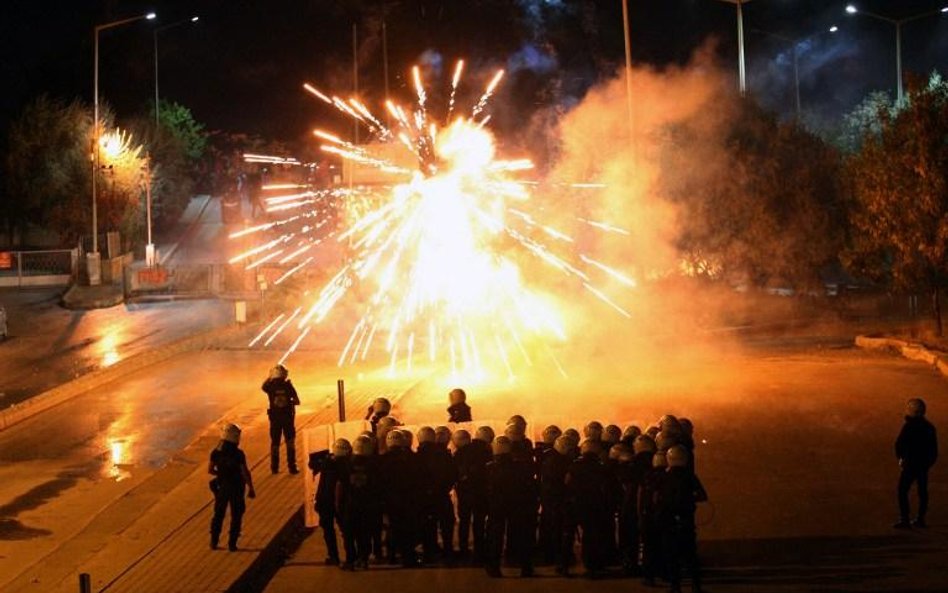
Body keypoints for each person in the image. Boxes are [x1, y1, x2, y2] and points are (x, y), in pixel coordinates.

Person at [485, 436, 538, 578]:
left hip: (496, 506)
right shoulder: (520, 467)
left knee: (495, 537)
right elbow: (529, 487)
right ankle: (525, 567)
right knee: (521, 536)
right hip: (517, 505)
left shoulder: (489, 468)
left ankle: (493, 567)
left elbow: (484, 489)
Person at [658, 445, 707, 593]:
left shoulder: (664, 476)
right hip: (686, 520)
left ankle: (675, 587)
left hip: (669, 521)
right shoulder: (690, 476)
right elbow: (703, 496)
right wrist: (690, 499)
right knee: (690, 555)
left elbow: (658, 499)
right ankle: (696, 586)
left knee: (672, 555)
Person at [565, 439, 611, 578]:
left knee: (568, 535)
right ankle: (591, 566)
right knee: (591, 536)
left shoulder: (574, 465)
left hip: (575, 504)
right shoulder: (601, 467)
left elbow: (567, 482)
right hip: (593, 505)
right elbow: (605, 487)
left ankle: (564, 565)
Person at [209, 423, 255, 551]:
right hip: (237, 488)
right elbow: (245, 472)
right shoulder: (238, 453)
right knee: (236, 515)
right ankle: (232, 544)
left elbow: (210, 470)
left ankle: (214, 541)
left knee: (218, 514)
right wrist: (251, 487)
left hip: (222, 487)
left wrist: (222, 474)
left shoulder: (216, 452)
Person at [895, 397, 938, 528]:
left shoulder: (909, 426)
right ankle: (921, 519)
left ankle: (905, 519)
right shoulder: (930, 427)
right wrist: (927, 464)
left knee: (902, 490)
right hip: (923, 466)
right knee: (922, 492)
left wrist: (901, 459)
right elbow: (934, 451)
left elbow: (899, 444)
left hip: (910, 465)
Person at [337, 436, 378, 570]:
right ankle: (364, 558)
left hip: (351, 504)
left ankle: (350, 559)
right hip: (367, 504)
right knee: (364, 533)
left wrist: (339, 505)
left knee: (349, 534)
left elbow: (340, 486)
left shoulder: (347, 464)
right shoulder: (373, 465)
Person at [454, 429, 491, 562]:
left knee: (464, 521)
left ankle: (463, 548)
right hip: (480, 492)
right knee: (479, 522)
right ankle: (479, 549)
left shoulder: (461, 451)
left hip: (464, 492)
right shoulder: (487, 452)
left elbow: (454, 471)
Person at [311, 440, 348, 565]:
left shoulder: (327, 463)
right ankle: (351, 556)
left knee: (328, 530)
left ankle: (333, 556)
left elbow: (313, 465)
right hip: (340, 502)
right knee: (345, 529)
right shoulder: (347, 465)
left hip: (325, 502)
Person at [540, 434, 572, 568]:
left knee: (548, 526)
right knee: (556, 528)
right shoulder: (560, 461)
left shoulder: (549, 458)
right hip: (556, 499)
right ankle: (556, 556)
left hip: (549, 498)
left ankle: (548, 555)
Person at [261, 364, 300, 474]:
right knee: (290, 442)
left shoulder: (270, 386)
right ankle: (292, 467)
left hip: (275, 419)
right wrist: (289, 403)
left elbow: (263, 386)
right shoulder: (288, 386)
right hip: (288, 418)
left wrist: (269, 376)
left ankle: (274, 467)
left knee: (275, 443)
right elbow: (297, 401)